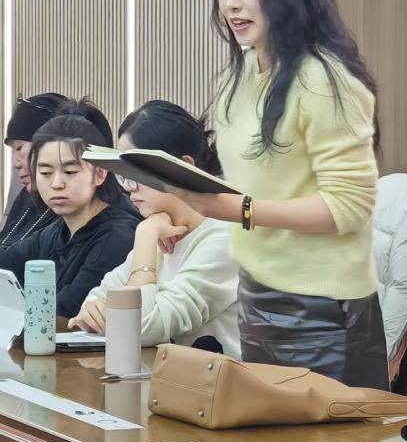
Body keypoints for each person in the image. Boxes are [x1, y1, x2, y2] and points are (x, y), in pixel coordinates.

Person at [158, 0, 389, 388]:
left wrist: (241, 210)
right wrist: (189, 209)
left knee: (318, 439)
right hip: (256, 293)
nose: (231, 2)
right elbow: (256, 181)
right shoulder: (239, 75)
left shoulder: (324, 80)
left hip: (321, 310)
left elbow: (350, 205)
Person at [69, 100, 240, 358]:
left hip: (213, 383)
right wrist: (97, 312)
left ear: (184, 166)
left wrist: (145, 237)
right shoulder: (160, 227)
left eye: (138, 173)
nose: (130, 187)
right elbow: (94, 303)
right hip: (159, 378)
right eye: (123, 174)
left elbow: (140, 329)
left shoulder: (223, 238)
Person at [0, 104, 140, 318]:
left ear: (100, 174)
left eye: (70, 171)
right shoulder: (56, 232)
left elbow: (65, 311)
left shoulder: (117, 237)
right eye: (45, 173)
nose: (56, 183)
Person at [1, 94, 68, 245]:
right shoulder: (26, 197)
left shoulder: (70, 211)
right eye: (13, 151)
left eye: (19, 148)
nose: (15, 163)